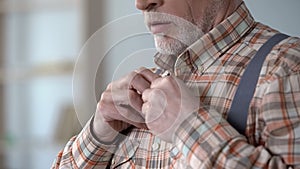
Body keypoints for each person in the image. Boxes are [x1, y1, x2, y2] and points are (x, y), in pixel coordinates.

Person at [52, 0, 300, 168]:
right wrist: (98, 133)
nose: (141, 3)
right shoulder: (146, 85)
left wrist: (189, 128)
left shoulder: (287, 68)